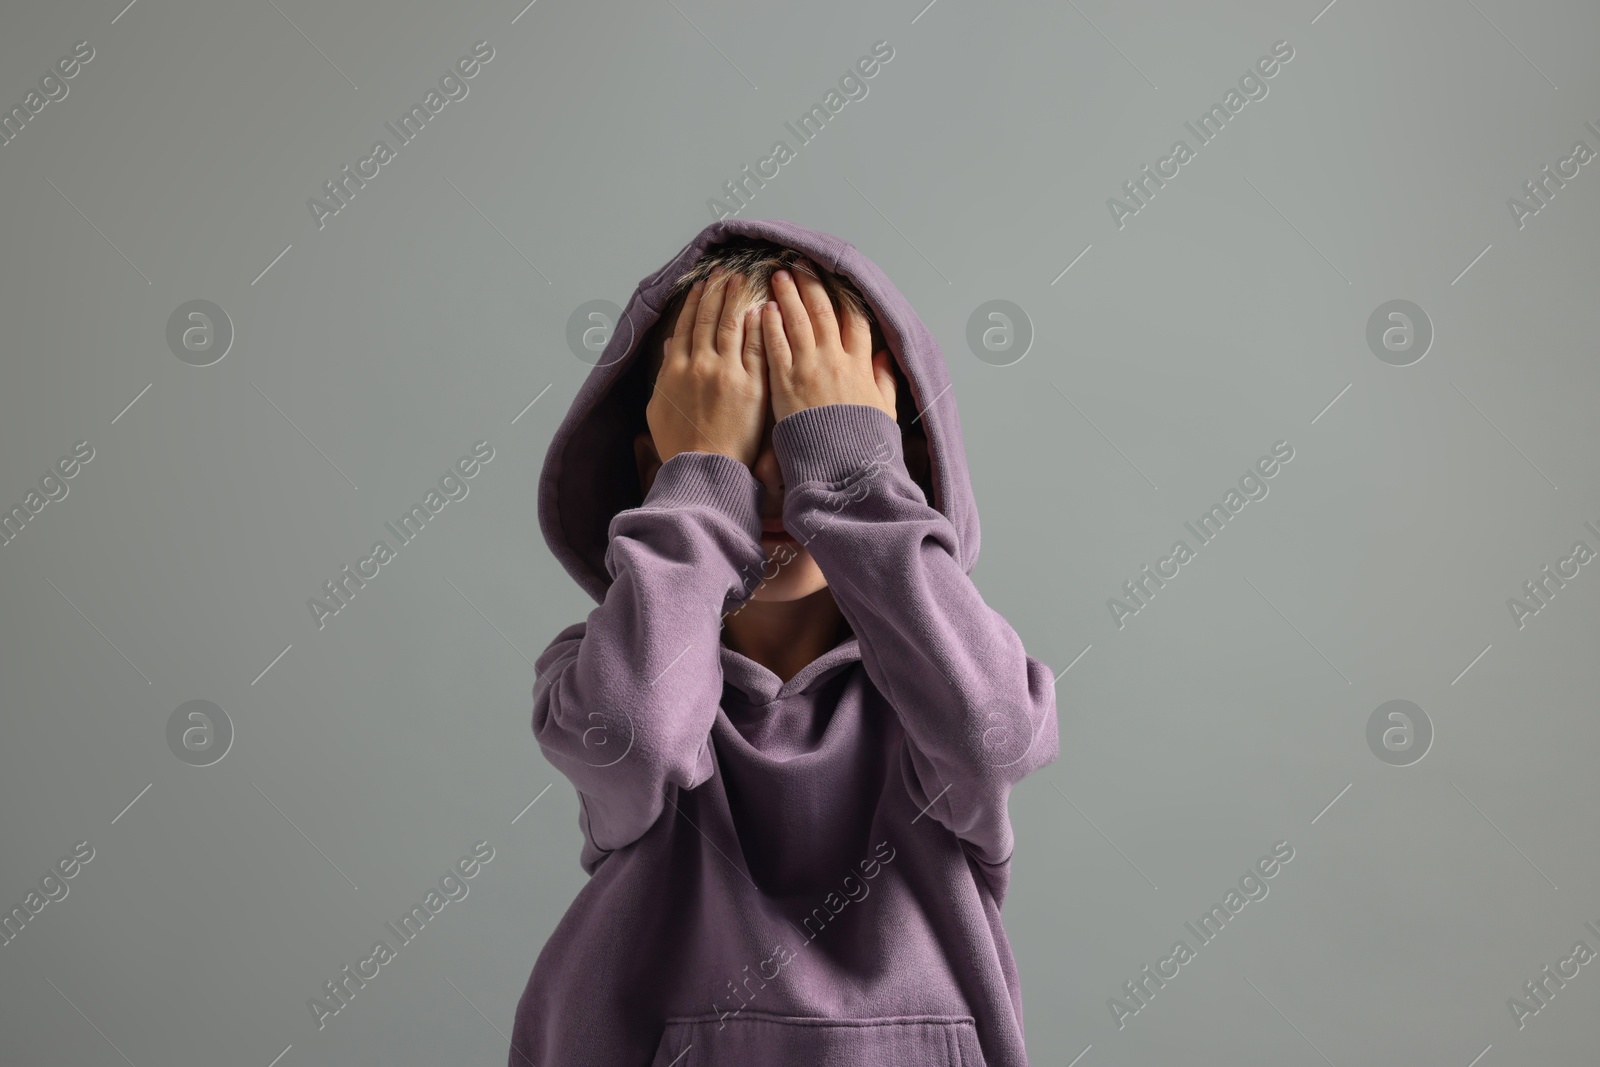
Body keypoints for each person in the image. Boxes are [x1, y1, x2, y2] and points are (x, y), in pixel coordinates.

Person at [512, 219, 1059, 1066]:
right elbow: (637, 736)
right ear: (658, 468)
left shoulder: (946, 675)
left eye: (810, 428)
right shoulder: (597, 671)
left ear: (896, 457)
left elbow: (993, 738)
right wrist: (701, 486)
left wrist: (851, 482)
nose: (774, 478)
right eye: (734, 430)